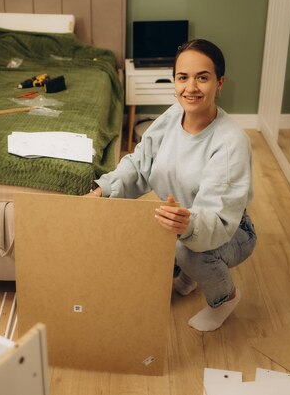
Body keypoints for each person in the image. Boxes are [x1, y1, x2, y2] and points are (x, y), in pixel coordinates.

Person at [87, 39, 256, 332]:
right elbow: (139, 164)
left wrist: (187, 229)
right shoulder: (171, 117)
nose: (191, 87)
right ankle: (190, 273)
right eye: (183, 77)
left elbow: (217, 217)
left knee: (187, 251)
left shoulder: (230, 143)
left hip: (229, 228)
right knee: (155, 238)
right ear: (175, 81)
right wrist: (105, 189)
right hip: (181, 216)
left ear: (220, 83)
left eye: (202, 77)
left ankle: (224, 297)